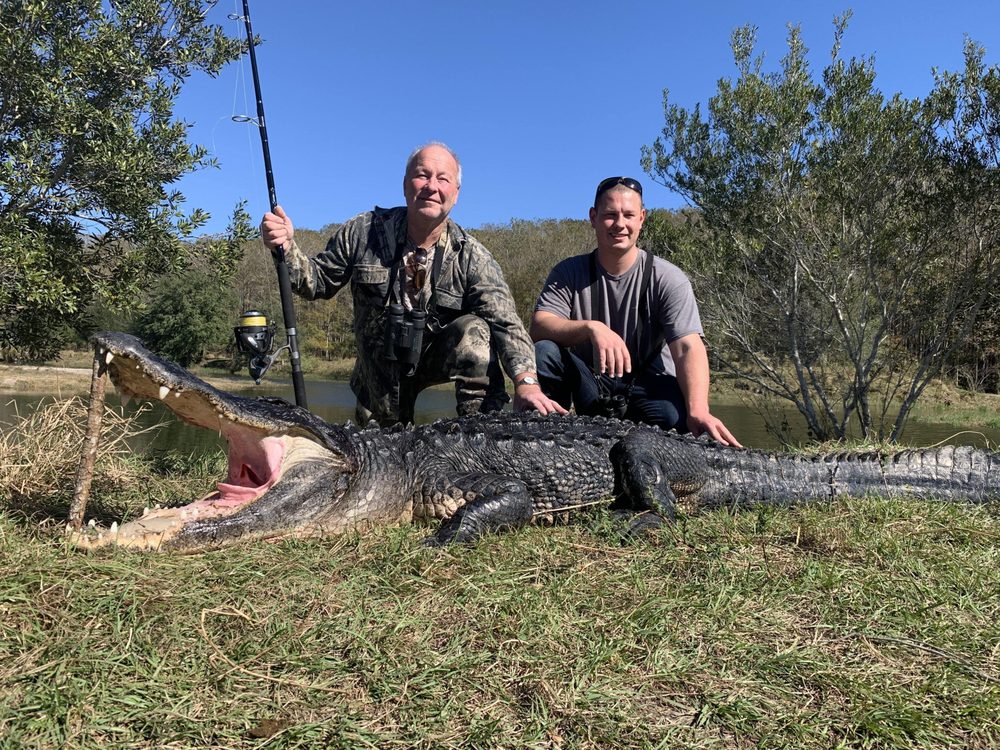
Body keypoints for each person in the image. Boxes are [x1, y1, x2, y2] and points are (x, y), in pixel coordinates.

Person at [260, 142, 565, 426]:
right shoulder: (363, 232)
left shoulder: (472, 257)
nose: (432, 186)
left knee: (477, 331)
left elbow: (507, 323)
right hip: (379, 375)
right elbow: (317, 282)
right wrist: (286, 248)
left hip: (437, 359)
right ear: (406, 185)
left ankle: (479, 432)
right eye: (422, 175)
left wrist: (526, 382)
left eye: (443, 179)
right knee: (377, 459)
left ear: (456, 193)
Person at [530, 176, 740, 446]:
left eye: (628, 215)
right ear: (593, 217)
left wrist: (698, 409)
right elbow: (539, 326)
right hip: (592, 385)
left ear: (642, 218)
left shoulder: (668, 278)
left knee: (672, 416)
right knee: (545, 351)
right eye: (609, 215)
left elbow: (688, 346)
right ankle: (547, 442)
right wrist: (591, 328)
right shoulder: (568, 272)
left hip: (649, 388)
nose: (620, 224)